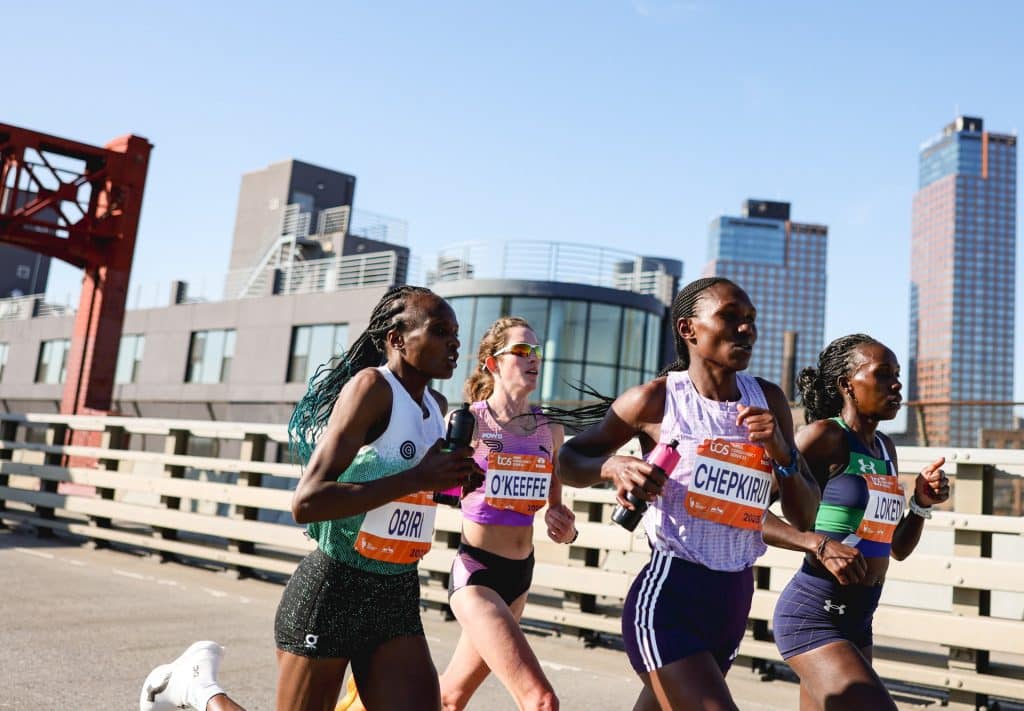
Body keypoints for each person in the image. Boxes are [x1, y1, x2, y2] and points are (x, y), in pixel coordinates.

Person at [140, 285, 482, 711]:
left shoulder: (436, 405)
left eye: (456, 333)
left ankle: (199, 688)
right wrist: (417, 475)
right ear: (397, 339)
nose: (455, 343)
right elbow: (307, 502)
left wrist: (451, 483)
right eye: (440, 331)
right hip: (334, 590)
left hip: (395, 593)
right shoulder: (372, 388)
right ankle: (199, 689)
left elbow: (411, 493)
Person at [556, 277, 821, 711]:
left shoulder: (768, 400)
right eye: (730, 318)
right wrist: (613, 465)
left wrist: (781, 452)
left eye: (751, 320)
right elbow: (569, 461)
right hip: (670, 596)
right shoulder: (656, 400)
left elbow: (805, 514)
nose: (745, 329)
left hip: (734, 598)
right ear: (688, 329)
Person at [766, 334, 949, 710]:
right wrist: (818, 543)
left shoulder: (885, 448)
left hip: (859, 618)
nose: (897, 384)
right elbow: (748, 510)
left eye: (897, 374)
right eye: (884, 374)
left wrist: (919, 503)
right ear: (847, 385)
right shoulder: (824, 436)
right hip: (815, 613)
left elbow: (895, 548)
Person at [437, 317, 577, 711]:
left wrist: (563, 528)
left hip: (520, 575)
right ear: (492, 364)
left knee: (450, 698)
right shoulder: (468, 422)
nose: (532, 358)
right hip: (476, 574)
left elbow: (558, 517)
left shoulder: (550, 429)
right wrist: (460, 479)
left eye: (535, 351)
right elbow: (441, 492)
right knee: (541, 701)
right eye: (520, 351)